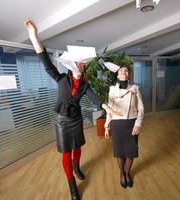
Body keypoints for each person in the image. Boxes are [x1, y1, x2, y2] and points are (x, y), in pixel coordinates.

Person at [24, 19, 117, 200]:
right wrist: (33, 36)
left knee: (78, 147)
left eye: (82, 64)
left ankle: (77, 167)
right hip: (61, 121)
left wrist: (107, 108)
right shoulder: (61, 79)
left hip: (76, 119)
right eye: (78, 63)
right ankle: (71, 184)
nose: (80, 65)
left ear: (83, 69)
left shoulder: (84, 85)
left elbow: (94, 97)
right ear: (71, 65)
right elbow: (45, 61)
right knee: (66, 151)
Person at [104, 66, 144, 188]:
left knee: (131, 152)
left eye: (126, 70)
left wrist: (138, 123)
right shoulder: (112, 90)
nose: (123, 72)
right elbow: (109, 109)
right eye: (121, 70)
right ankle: (122, 173)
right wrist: (107, 126)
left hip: (132, 123)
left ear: (128, 74)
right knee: (120, 152)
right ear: (117, 75)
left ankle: (128, 173)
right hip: (117, 124)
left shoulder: (135, 88)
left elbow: (141, 108)